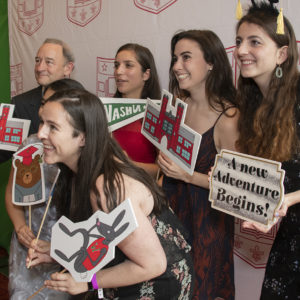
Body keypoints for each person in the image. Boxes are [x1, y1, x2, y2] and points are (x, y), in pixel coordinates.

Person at [27, 89, 195, 299]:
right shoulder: (79, 168)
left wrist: (87, 281)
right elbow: (102, 236)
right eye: (42, 122)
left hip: (155, 282)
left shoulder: (108, 188)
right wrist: (58, 252)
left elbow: (154, 264)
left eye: (53, 127)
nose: (41, 133)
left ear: (83, 138)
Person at [157, 30, 239, 299]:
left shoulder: (228, 118)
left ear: (211, 62)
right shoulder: (176, 106)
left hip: (208, 226)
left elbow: (235, 188)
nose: (177, 66)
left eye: (186, 57)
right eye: (175, 58)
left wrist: (188, 176)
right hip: (172, 217)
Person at [234, 1, 300, 299]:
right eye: (238, 41)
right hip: (291, 239)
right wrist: (232, 180)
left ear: (282, 53)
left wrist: (290, 199)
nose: (241, 50)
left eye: (254, 42)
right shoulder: (253, 107)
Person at [6, 79, 84, 300]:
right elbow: (13, 194)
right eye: (42, 102)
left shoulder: (84, 160)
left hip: (66, 253)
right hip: (29, 245)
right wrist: (20, 226)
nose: (43, 108)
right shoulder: (30, 147)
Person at [0, 38, 75, 163]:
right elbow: (3, 151)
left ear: (67, 68)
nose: (40, 68)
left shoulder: (83, 102)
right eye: (37, 61)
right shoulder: (20, 104)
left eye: (49, 62)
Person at [112, 43, 161, 178]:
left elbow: (163, 172)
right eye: (116, 65)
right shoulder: (104, 111)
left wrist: (128, 164)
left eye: (128, 65)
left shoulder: (157, 115)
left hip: (142, 193)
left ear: (146, 74)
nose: (119, 71)